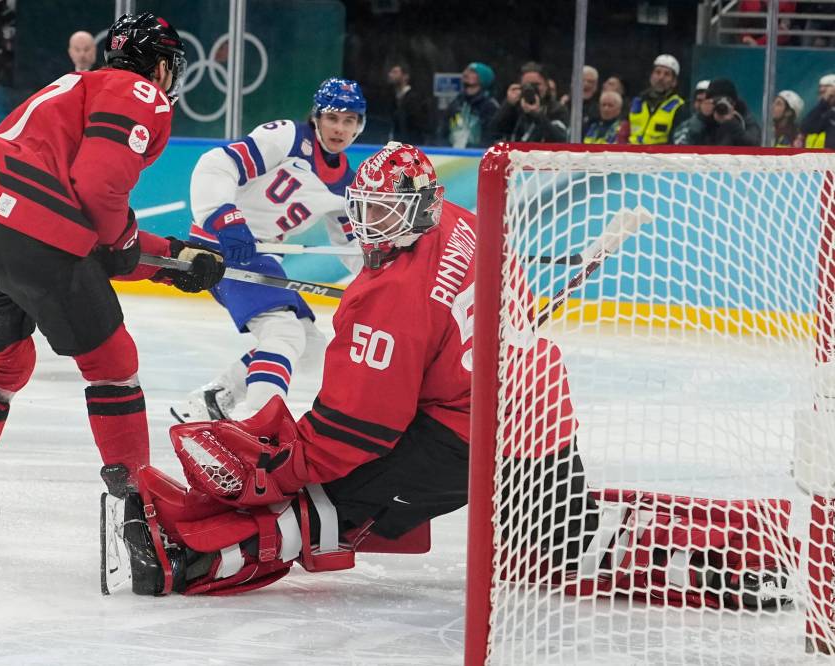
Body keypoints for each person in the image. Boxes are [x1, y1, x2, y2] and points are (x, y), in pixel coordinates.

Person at [103, 143, 795, 610]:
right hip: (532, 408)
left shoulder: (392, 298)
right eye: (364, 210)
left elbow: (356, 432)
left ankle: (183, 556)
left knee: (326, 508)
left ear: (416, 210)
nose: (368, 226)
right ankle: (729, 551)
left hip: (469, 432)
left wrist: (279, 470)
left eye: (381, 214)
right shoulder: (461, 221)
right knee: (562, 541)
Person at [0, 13, 225, 560]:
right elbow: (98, 197)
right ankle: (143, 524)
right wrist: (147, 255)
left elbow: (88, 225)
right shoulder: (140, 91)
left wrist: (171, 259)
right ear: (158, 65)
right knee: (112, 362)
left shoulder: (75, 86)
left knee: (1, 366)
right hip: (25, 220)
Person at [169, 78, 366, 424]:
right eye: (333, 117)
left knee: (309, 347)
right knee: (284, 333)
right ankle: (254, 422)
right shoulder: (287, 136)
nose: (340, 128)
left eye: (349, 121)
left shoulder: (346, 187)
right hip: (219, 244)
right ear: (316, 117)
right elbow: (217, 164)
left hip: (261, 257)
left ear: (359, 127)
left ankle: (216, 396)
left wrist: (381, 281)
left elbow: (352, 247)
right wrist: (226, 219)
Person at [674, 78, 761, 147]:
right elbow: (681, 144)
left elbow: (754, 145)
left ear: (734, 103)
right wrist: (701, 118)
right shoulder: (702, 120)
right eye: (717, 101)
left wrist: (732, 123)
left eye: (727, 101)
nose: (722, 105)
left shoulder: (743, 118)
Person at [497, 61, 569, 143]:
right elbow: (492, 133)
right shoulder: (514, 108)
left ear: (546, 85)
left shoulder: (557, 109)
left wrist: (538, 115)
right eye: (527, 85)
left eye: (536, 84)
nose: (532, 88)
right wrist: (508, 104)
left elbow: (560, 139)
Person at [628, 54, 689, 145]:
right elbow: (623, 131)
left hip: (659, 156)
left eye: (667, 74)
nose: (661, 77)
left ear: (674, 82)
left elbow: (676, 141)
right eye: (657, 72)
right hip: (629, 154)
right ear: (651, 76)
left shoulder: (679, 107)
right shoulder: (637, 102)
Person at [438, 62, 500, 149]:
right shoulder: (456, 102)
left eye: (473, 72)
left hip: (476, 156)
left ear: (482, 78)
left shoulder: (489, 106)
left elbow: (490, 136)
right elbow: (443, 130)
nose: (466, 73)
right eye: (467, 70)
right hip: (452, 155)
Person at [387, 63, 428, 145]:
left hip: (411, 146)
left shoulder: (415, 98)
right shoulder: (391, 98)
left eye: (395, 72)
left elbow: (418, 124)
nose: (390, 75)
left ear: (405, 76)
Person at [801, 74, 835, 149]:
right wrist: (823, 103)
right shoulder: (824, 116)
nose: (823, 97)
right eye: (820, 93)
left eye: (825, 93)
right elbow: (805, 127)